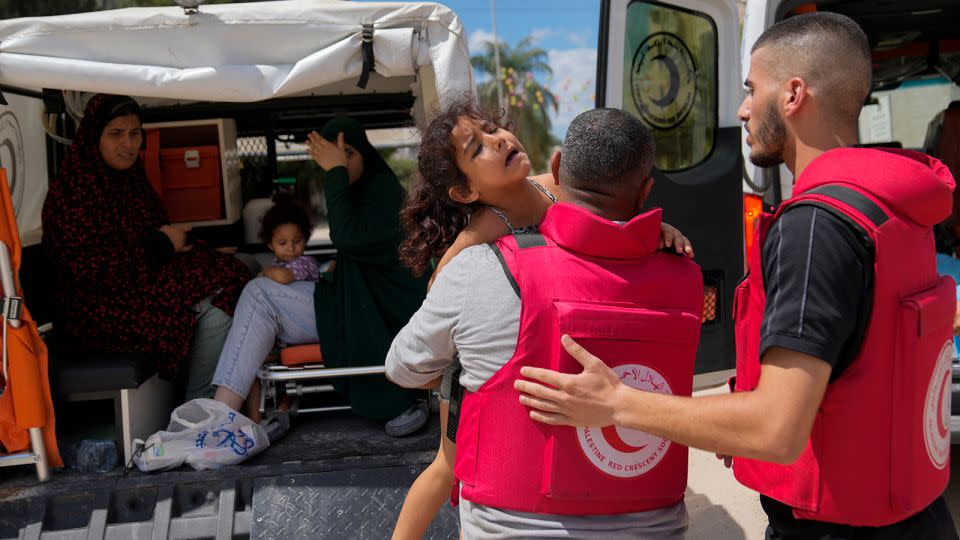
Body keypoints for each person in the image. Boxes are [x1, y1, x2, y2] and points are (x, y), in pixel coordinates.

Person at [517, 13, 959, 539]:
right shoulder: (894, 209)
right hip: (916, 517)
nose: (743, 109)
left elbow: (776, 429)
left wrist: (616, 403)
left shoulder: (815, 227)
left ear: (793, 94)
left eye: (752, 89)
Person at [387, 106, 703, 539]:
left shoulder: (556, 185)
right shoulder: (474, 243)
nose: (498, 140)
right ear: (464, 192)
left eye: (493, 129)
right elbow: (435, 330)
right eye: (478, 147)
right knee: (448, 465)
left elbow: (614, 207)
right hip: (479, 361)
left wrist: (657, 229)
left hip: (541, 332)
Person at [210, 116, 430, 436]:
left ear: (366, 153)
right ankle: (222, 415)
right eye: (332, 156)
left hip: (382, 313)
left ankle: (221, 415)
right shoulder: (365, 192)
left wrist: (336, 171)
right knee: (259, 290)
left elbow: (345, 237)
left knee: (259, 293)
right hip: (351, 305)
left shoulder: (383, 192)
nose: (340, 161)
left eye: (348, 153)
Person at [42, 94, 250, 402]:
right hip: (95, 312)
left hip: (135, 288)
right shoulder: (74, 193)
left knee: (242, 269)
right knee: (217, 305)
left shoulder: (131, 179)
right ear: (93, 136)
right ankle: (199, 407)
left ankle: (228, 399)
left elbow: (150, 235)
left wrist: (175, 244)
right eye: (116, 133)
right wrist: (163, 244)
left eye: (135, 133)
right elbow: (96, 271)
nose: (128, 144)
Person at [259, 197, 321, 284]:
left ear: (306, 239)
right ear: (270, 245)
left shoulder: (306, 263)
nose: (291, 249)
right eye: (282, 243)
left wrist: (265, 271)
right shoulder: (277, 263)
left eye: (297, 241)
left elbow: (283, 277)